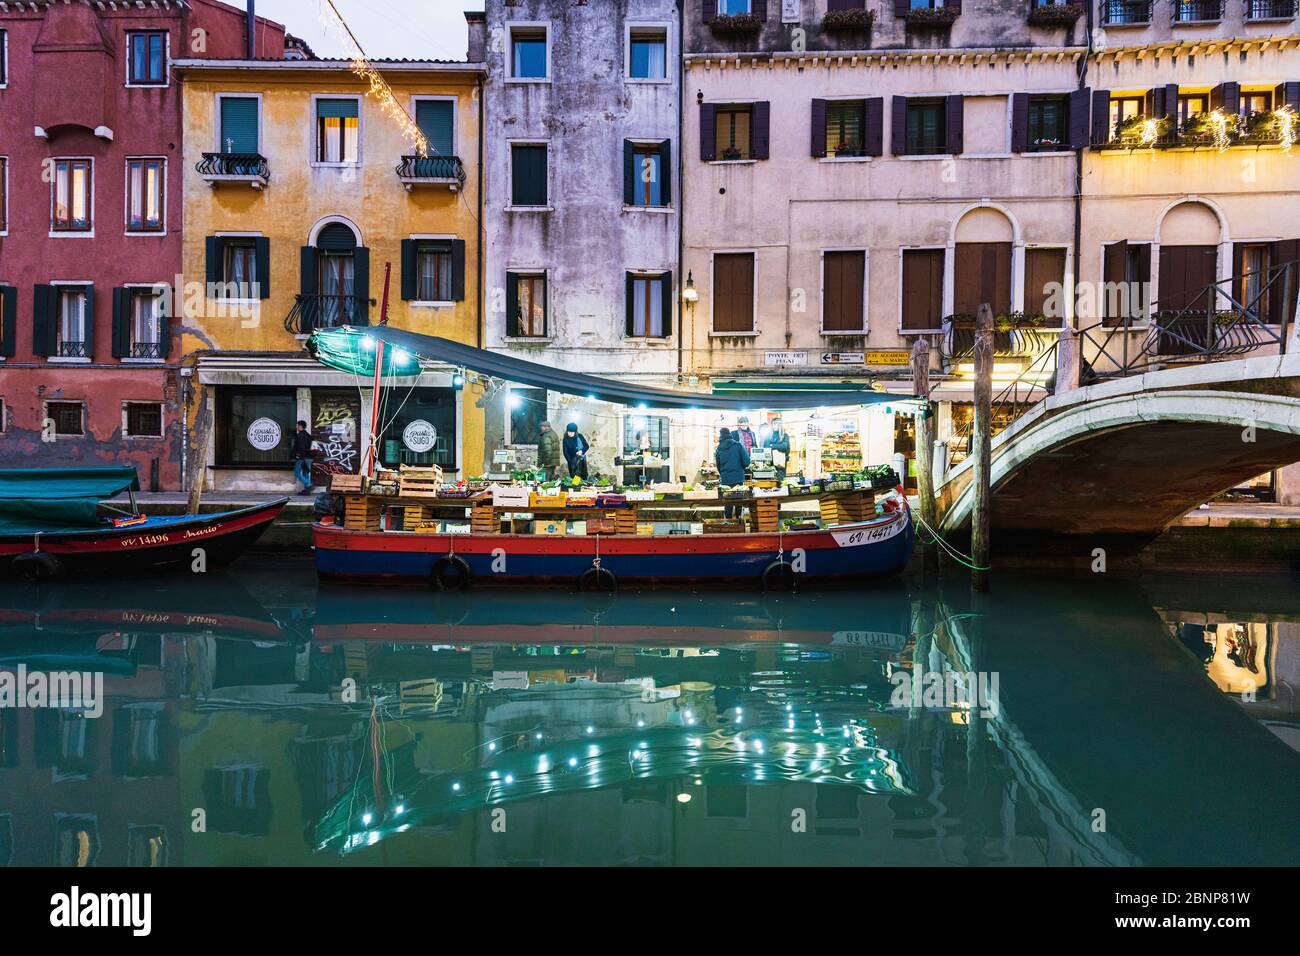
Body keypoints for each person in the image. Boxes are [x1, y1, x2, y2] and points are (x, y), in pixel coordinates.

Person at [715, 426, 750, 520]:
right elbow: (747, 461)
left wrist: (724, 473)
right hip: (738, 478)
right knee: (738, 501)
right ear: (729, 434)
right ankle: (739, 522)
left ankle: (728, 523)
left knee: (728, 503)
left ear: (721, 436)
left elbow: (718, 466)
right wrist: (741, 467)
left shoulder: (718, 449)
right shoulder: (737, 445)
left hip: (726, 480)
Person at [291, 420, 315, 494]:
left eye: (297, 425)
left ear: (300, 426)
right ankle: (307, 491)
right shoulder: (308, 435)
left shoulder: (300, 435)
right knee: (306, 473)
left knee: (296, 472)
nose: (296, 426)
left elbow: (301, 447)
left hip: (302, 457)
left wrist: (297, 456)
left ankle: (308, 484)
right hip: (309, 457)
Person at [764, 417, 791, 482]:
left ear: (780, 425)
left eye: (776, 424)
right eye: (773, 424)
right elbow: (766, 447)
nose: (774, 426)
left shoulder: (784, 435)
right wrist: (778, 446)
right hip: (770, 463)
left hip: (780, 463)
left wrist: (772, 445)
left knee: (780, 482)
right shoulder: (768, 435)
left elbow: (784, 447)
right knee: (770, 482)